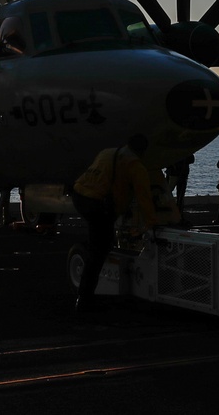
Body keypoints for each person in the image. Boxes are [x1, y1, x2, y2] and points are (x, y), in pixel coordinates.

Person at [71, 134, 159, 313]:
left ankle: (91, 273)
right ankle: (84, 299)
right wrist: (152, 223)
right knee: (99, 251)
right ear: (143, 151)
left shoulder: (108, 153)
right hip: (98, 205)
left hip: (79, 195)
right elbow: (144, 199)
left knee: (102, 240)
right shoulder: (135, 166)